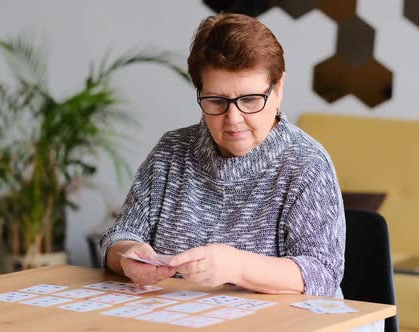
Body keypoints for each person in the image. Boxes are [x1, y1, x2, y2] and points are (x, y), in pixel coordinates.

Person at [100, 13, 345, 297]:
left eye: (250, 100)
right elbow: (118, 237)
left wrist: (237, 266)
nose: (234, 119)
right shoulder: (170, 152)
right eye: (217, 101)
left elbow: (323, 274)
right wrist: (128, 256)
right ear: (200, 93)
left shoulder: (306, 164)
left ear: (278, 89)